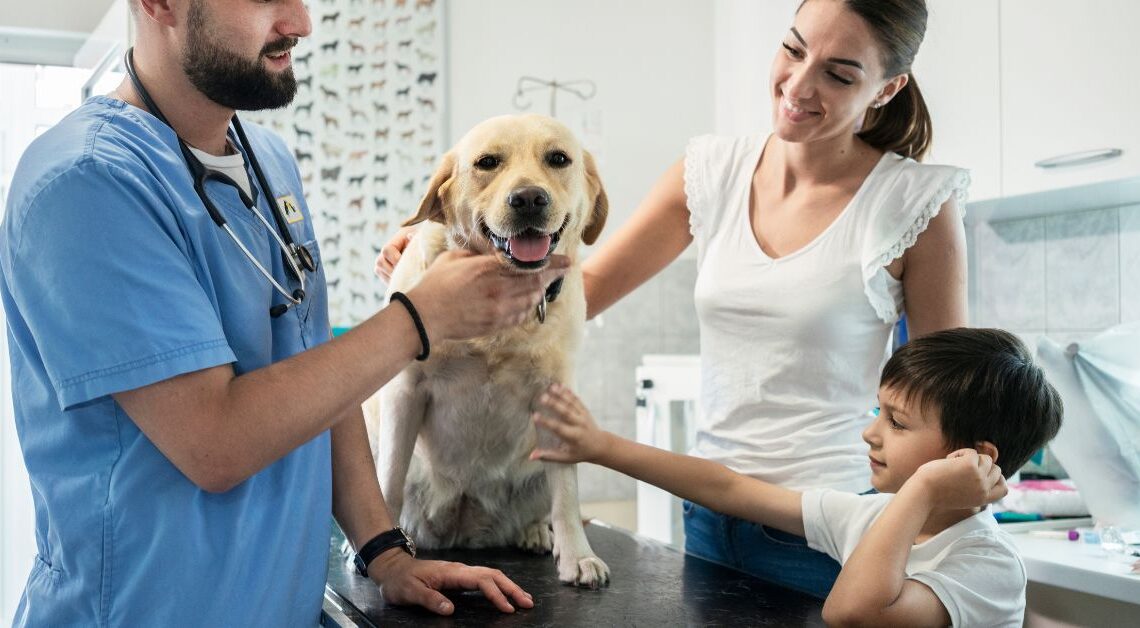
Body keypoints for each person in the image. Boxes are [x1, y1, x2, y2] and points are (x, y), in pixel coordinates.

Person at [0, 0, 568, 625]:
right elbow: (213, 443)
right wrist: (418, 319)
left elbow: (321, 376)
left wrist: (384, 551)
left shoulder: (268, 162)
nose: (299, 23)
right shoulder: (88, 183)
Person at [376, 0, 967, 597]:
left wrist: (941, 544)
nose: (798, 84)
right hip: (708, 515)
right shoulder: (715, 170)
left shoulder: (913, 205)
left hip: (833, 529)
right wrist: (433, 245)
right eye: (792, 49)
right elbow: (581, 287)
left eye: (839, 74)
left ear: (888, 88)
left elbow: (947, 408)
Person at [530, 328, 1064, 627]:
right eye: (877, 412)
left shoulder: (986, 564)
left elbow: (853, 612)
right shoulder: (872, 514)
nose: (869, 434)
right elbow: (728, 488)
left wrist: (923, 489)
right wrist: (600, 447)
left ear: (973, 456)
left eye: (896, 422)